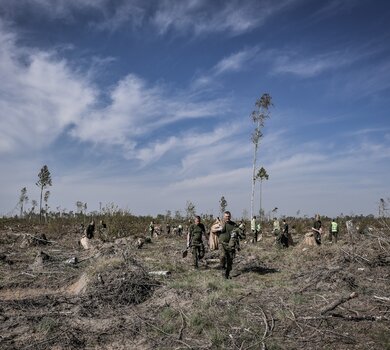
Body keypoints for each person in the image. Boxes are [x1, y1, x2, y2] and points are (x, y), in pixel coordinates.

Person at [218, 211, 245, 279]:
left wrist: (238, 245)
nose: (227, 217)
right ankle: (222, 269)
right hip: (222, 243)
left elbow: (237, 235)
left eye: (229, 216)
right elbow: (213, 229)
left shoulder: (233, 224)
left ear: (230, 216)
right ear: (224, 216)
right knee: (222, 256)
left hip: (231, 245)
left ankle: (227, 274)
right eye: (226, 216)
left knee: (230, 260)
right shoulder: (220, 223)